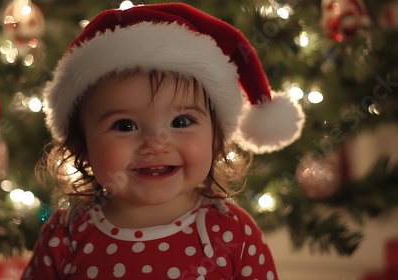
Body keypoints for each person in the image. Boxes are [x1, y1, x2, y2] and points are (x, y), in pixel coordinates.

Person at [22, 2, 305, 279]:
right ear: (81, 144)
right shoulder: (67, 235)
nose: (155, 143)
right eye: (125, 125)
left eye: (181, 122)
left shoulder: (233, 233)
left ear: (216, 137)